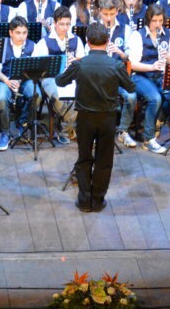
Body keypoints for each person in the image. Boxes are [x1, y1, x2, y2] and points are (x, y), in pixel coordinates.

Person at [56, 22, 135, 212]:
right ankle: (98, 200)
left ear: (87, 41)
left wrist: (69, 66)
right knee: (104, 160)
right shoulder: (116, 65)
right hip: (107, 119)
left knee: (84, 158)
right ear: (108, 41)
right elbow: (130, 87)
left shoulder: (79, 64)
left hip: (85, 118)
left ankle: (84, 201)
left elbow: (60, 81)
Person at [128, 3, 170, 153]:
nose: (157, 24)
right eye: (154, 21)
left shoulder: (169, 34)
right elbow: (133, 64)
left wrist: (166, 56)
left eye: (160, 21)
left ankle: (159, 119)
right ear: (148, 20)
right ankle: (149, 139)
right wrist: (152, 67)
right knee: (155, 98)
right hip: (141, 75)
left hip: (161, 74)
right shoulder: (138, 35)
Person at [0, 16, 39, 150]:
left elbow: (36, 67)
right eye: (18, 33)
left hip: (25, 79)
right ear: (10, 32)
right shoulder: (1, 45)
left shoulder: (33, 46)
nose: (22, 36)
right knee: (1, 98)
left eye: (24, 33)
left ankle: (23, 124)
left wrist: (23, 78)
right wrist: (7, 81)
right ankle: (5, 132)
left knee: (36, 94)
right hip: (5, 78)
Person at [35, 6, 87, 139]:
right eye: (61, 24)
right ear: (54, 23)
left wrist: (76, 61)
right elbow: (38, 66)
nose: (65, 28)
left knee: (81, 94)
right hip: (50, 77)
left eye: (68, 24)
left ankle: (64, 128)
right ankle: (68, 127)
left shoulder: (76, 40)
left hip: (71, 77)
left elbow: (83, 60)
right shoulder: (44, 42)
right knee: (57, 97)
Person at [97, 0, 139, 148]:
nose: (108, 18)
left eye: (112, 14)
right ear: (99, 12)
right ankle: (97, 131)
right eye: (105, 14)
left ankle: (123, 131)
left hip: (119, 75)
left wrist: (119, 52)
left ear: (117, 12)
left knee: (131, 96)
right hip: (99, 75)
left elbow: (129, 57)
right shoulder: (94, 28)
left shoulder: (126, 30)